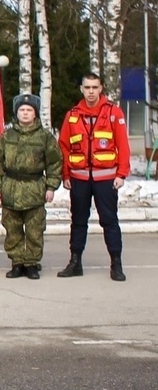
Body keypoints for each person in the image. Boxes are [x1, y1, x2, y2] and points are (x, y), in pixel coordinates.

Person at [57, 71, 129, 281]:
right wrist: (66, 174)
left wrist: (122, 173)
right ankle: (75, 261)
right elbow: (64, 146)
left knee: (109, 221)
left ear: (101, 88)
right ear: (81, 89)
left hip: (106, 178)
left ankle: (116, 263)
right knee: (78, 221)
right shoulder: (72, 115)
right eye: (87, 87)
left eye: (94, 87)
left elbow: (123, 145)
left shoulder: (114, 113)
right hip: (79, 179)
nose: (91, 92)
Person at [0, 93, 62, 280]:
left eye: (29, 110)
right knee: (12, 228)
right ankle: (17, 262)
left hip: (34, 188)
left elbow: (54, 163)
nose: (25, 113)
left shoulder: (45, 137)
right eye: (22, 110)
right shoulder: (7, 136)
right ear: (16, 112)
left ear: (35, 113)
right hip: (11, 188)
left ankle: (31, 263)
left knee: (34, 230)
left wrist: (51, 187)